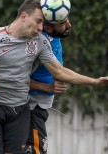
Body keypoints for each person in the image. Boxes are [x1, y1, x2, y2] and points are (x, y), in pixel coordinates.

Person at [0, 0, 108, 154]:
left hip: (19, 110)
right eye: (38, 21)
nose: (41, 28)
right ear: (23, 16)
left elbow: (59, 71)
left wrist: (95, 82)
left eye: (43, 23)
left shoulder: (40, 41)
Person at [27, 16, 71, 154]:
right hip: (30, 107)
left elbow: (60, 71)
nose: (69, 24)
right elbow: (16, 79)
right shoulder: (39, 43)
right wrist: (47, 87)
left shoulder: (54, 36)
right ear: (47, 28)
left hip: (39, 109)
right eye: (63, 23)